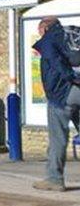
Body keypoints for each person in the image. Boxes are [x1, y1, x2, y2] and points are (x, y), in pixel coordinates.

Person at [32, 16, 80, 192]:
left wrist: (72, 78)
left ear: (44, 28)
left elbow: (55, 62)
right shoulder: (75, 33)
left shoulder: (51, 37)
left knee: (58, 137)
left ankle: (54, 178)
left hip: (63, 94)